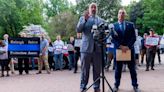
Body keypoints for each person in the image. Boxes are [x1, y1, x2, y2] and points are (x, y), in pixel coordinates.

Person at [76, 3, 105, 92]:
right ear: (89, 9)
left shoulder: (101, 20)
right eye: (91, 7)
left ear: (97, 9)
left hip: (98, 49)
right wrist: (85, 19)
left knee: (97, 70)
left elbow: (104, 33)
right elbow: (78, 29)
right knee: (85, 70)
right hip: (86, 48)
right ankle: (83, 87)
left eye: (95, 7)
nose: (93, 9)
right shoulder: (83, 18)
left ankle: (96, 87)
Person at [112, 8, 139, 92]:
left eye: (123, 13)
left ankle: (135, 86)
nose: (121, 14)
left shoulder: (130, 25)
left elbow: (134, 37)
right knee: (118, 69)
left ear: (125, 15)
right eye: (120, 13)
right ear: (117, 15)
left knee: (132, 69)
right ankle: (116, 85)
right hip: (119, 50)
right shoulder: (114, 26)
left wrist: (127, 46)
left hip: (129, 50)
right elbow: (113, 39)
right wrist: (120, 46)